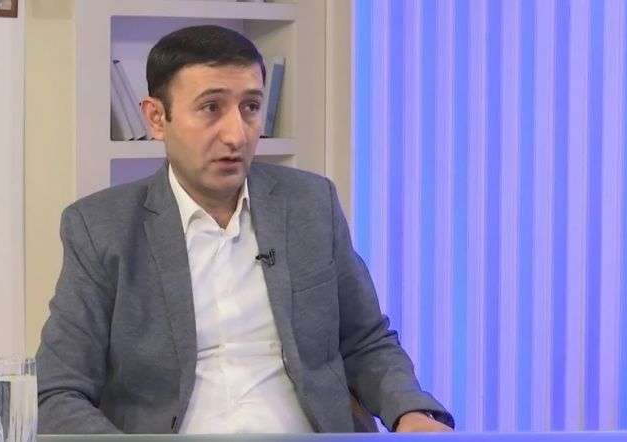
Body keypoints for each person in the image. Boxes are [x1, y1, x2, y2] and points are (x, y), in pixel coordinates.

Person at [36, 25, 453, 434]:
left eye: (250, 107)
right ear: (157, 118)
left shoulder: (310, 203)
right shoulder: (101, 227)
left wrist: (412, 412)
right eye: (211, 108)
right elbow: (57, 392)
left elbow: (365, 341)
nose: (236, 134)